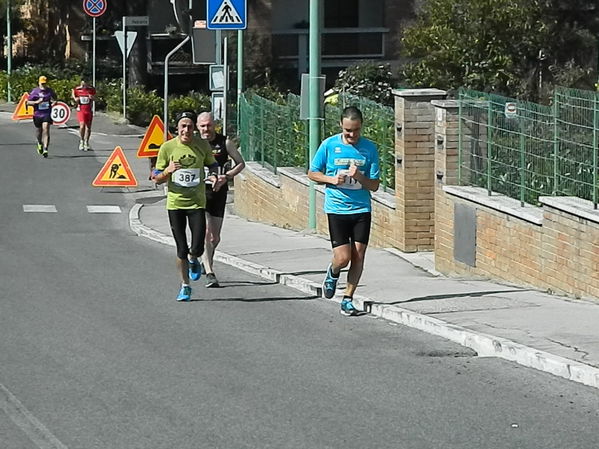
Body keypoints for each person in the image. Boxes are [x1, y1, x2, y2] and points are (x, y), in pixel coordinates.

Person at [307, 106, 380, 316]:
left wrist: (360, 177)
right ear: (341, 125)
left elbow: (374, 185)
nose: (352, 135)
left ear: (361, 127)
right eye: (348, 130)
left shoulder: (369, 148)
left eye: (356, 130)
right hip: (337, 209)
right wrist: (331, 179)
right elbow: (312, 173)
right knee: (342, 258)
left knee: (358, 256)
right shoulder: (329, 145)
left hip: (361, 209)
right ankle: (333, 272)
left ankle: (348, 298)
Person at [152, 111, 226, 301]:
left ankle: (194, 260)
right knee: (181, 250)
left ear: (194, 128)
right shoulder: (167, 148)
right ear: (177, 128)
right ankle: (185, 286)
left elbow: (213, 164)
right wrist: (167, 171)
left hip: (196, 203)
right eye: (183, 126)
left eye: (190, 126)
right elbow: (156, 177)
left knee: (198, 247)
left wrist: (214, 175)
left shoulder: (202, 145)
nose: (186, 130)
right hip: (175, 204)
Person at [196, 112, 246, 288]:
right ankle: (210, 272)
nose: (206, 129)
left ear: (214, 125)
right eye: (202, 126)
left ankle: (205, 260)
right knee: (207, 234)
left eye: (209, 125)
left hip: (218, 193)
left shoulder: (224, 142)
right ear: (197, 127)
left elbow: (240, 163)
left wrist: (226, 176)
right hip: (198, 194)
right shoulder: (193, 144)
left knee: (215, 237)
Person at [27, 75, 57, 158]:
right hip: (37, 114)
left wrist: (54, 102)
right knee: (39, 131)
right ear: (39, 83)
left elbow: (55, 98)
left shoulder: (49, 91)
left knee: (46, 129)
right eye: (42, 84)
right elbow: (28, 102)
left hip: (46, 114)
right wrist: (37, 102)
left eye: (45, 84)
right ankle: (39, 143)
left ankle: (46, 149)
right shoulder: (35, 91)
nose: (44, 85)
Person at [71, 77, 96, 151]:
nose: (84, 84)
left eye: (85, 82)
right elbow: (73, 97)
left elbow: (95, 98)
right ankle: (81, 140)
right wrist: (75, 99)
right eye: (83, 82)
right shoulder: (78, 89)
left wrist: (92, 97)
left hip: (88, 110)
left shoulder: (91, 89)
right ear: (81, 82)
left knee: (88, 127)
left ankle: (86, 142)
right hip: (81, 110)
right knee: (82, 126)